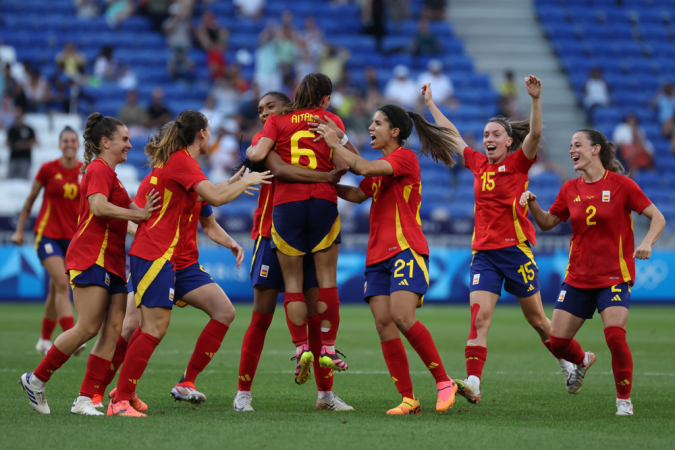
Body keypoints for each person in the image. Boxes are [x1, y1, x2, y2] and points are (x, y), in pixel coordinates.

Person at [108, 110, 272, 417]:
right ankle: (115, 397)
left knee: (223, 311)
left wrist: (236, 181)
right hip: (156, 256)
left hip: (178, 261)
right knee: (146, 328)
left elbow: (209, 198)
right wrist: (246, 179)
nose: (211, 134)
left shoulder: (185, 166)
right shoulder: (180, 163)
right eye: (209, 129)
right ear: (201, 134)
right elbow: (215, 196)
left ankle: (176, 383)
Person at [423, 76, 575, 405]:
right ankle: (474, 381)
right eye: (486, 135)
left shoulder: (519, 163)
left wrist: (535, 99)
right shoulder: (478, 163)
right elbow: (452, 135)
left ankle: (567, 361)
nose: (488, 139)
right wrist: (431, 105)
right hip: (484, 255)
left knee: (537, 320)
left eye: (495, 135)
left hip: (516, 252)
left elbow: (534, 134)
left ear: (508, 141)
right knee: (479, 317)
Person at [314, 103, 460, 414]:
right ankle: (408, 398)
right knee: (384, 325)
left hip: (406, 248)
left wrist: (336, 143)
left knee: (403, 317)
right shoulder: (382, 165)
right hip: (377, 257)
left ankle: (444, 381)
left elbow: (363, 168)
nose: (370, 127)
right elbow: (356, 194)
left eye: (377, 122)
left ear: (394, 131)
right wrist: (320, 183)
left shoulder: (403, 159)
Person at [19, 113, 161, 415]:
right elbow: (98, 207)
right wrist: (138, 215)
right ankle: (36, 378)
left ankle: (86, 398)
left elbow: (135, 221)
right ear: (105, 142)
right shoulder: (98, 168)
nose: (129, 145)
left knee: (112, 330)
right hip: (90, 255)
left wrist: (156, 238)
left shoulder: (112, 175)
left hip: (113, 259)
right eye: (124, 139)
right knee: (87, 327)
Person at [520, 129, 666, 416]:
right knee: (558, 342)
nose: (572, 149)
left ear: (596, 149)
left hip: (613, 275)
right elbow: (548, 222)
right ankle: (583, 360)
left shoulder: (623, 185)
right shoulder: (569, 188)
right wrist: (533, 204)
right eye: (571, 145)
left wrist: (647, 242)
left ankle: (623, 401)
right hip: (578, 277)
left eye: (578, 145)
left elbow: (657, 217)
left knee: (614, 335)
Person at [234, 91, 353, 412]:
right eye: (259, 109)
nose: (263, 114)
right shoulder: (267, 136)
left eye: (269, 107)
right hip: (267, 230)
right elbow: (283, 169)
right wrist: (329, 178)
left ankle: (325, 395)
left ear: (287, 108)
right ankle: (243, 393)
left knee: (314, 315)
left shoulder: (289, 129)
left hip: (300, 229)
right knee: (261, 315)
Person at [11, 127, 83, 355]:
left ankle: (44, 339)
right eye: (65, 140)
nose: (69, 144)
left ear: (78, 144)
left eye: (73, 140)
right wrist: (19, 230)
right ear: (60, 144)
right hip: (48, 235)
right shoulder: (48, 169)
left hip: (72, 238)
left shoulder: (85, 171)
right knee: (63, 284)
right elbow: (31, 198)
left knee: (55, 289)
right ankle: (72, 335)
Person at [6, 107, 36, 179]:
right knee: (10, 179)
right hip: (13, 158)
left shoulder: (29, 129)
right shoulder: (11, 130)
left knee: (24, 179)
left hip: (25, 158)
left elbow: (34, 142)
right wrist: (15, 145)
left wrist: (23, 145)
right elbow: (7, 142)